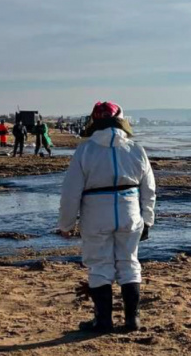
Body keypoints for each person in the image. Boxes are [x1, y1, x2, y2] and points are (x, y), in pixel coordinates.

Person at [58, 102, 156, 333]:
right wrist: (148, 219)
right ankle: (132, 320)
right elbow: (149, 189)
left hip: (95, 215)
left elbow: (70, 192)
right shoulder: (135, 149)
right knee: (129, 262)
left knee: (99, 265)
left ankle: (103, 321)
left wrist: (66, 224)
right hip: (130, 211)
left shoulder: (86, 150)